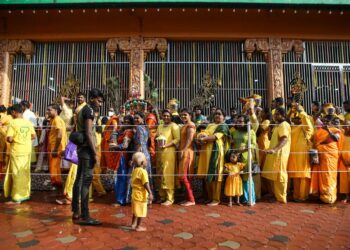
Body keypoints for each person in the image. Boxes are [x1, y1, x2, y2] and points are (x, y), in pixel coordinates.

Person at [71, 88, 104, 226]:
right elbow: (89, 133)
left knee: (79, 179)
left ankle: (76, 211)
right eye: (99, 100)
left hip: (81, 148)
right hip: (87, 150)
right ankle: (85, 215)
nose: (100, 104)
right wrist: (94, 152)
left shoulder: (81, 110)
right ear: (92, 98)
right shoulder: (88, 110)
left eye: (101, 101)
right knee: (86, 181)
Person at [4, 104, 36, 204]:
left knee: (16, 173)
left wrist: (17, 139)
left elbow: (9, 138)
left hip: (17, 151)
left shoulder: (13, 122)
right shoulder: (28, 122)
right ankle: (25, 194)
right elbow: (33, 136)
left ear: (14, 112)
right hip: (27, 151)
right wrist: (24, 139)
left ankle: (17, 197)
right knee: (25, 173)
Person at [198, 108, 229, 206]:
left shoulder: (223, 126)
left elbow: (215, 137)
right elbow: (204, 133)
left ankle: (216, 199)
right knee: (207, 175)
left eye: (219, 114)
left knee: (215, 175)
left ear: (223, 117)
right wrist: (200, 136)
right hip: (206, 152)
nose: (217, 115)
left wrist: (204, 138)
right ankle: (210, 197)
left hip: (216, 152)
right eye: (216, 114)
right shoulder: (210, 125)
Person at [262, 107, 291, 204]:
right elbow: (270, 138)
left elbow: (284, 139)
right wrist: (270, 128)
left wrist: (274, 150)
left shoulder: (284, 125)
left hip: (280, 154)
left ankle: (281, 198)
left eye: (277, 114)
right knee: (274, 175)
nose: (275, 116)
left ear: (283, 115)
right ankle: (275, 195)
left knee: (280, 176)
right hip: (275, 154)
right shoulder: (278, 125)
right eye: (275, 114)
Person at [310, 115, 341, 204]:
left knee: (328, 174)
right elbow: (314, 142)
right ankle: (321, 195)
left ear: (331, 122)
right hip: (320, 155)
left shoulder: (335, 130)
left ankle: (329, 196)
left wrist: (328, 130)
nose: (325, 123)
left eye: (327, 121)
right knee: (320, 175)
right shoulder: (318, 132)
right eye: (324, 121)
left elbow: (336, 139)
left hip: (330, 155)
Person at [287, 103, 314, 201]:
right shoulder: (292, 127)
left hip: (303, 155)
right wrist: (291, 110)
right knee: (295, 176)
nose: (294, 119)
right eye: (294, 118)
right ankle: (296, 196)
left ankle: (303, 196)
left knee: (303, 176)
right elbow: (286, 119)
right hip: (293, 155)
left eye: (297, 118)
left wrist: (301, 112)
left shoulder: (306, 128)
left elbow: (308, 124)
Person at [231, 114, 257, 205]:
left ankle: (249, 199)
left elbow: (253, 144)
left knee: (246, 177)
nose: (238, 123)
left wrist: (245, 148)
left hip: (246, 157)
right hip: (235, 158)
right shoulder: (234, 131)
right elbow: (231, 141)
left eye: (241, 121)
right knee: (237, 177)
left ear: (246, 123)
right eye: (237, 121)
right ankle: (239, 198)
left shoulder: (251, 131)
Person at [156, 109, 180, 206]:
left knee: (167, 173)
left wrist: (166, 145)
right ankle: (162, 196)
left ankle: (170, 198)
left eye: (168, 116)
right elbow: (158, 136)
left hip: (169, 152)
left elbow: (177, 139)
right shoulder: (160, 126)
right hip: (160, 152)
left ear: (171, 117)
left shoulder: (174, 126)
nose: (166, 117)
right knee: (160, 173)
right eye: (164, 115)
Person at [111, 115, 134, 206]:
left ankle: (121, 200)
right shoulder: (122, 131)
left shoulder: (129, 132)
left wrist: (114, 147)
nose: (126, 123)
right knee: (120, 177)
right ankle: (120, 198)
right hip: (120, 155)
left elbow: (124, 146)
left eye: (128, 122)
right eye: (125, 121)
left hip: (123, 156)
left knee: (122, 177)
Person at [130, 152, 153, 232]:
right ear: (143, 162)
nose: (147, 162)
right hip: (141, 195)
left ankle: (133, 224)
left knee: (135, 211)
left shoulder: (135, 170)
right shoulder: (143, 172)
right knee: (141, 212)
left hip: (134, 194)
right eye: (146, 160)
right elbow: (146, 183)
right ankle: (138, 226)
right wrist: (150, 193)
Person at [47, 103, 68, 190]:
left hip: (56, 147)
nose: (47, 111)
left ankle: (57, 185)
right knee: (55, 167)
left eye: (49, 110)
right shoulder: (55, 119)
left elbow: (59, 135)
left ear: (56, 111)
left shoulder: (57, 120)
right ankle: (57, 184)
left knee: (54, 167)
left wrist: (55, 149)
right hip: (55, 146)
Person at [178, 108, 196, 206]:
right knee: (184, 177)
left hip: (187, 152)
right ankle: (188, 198)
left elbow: (190, 140)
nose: (183, 117)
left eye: (185, 115)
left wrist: (183, 150)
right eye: (182, 115)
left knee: (185, 176)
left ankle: (192, 200)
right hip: (184, 151)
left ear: (190, 115)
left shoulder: (190, 125)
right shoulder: (185, 125)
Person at [133, 112, 153, 197]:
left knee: (139, 175)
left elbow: (140, 143)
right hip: (146, 153)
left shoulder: (139, 128)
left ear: (142, 119)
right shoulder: (145, 128)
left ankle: (143, 196)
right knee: (146, 175)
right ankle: (149, 196)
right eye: (135, 118)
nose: (136, 120)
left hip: (141, 154)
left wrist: (135, 157)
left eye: (137, 118)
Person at [339, 120, 350, 203]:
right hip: (343, 160)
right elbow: (339, 148)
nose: (347, 127)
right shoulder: (342, 135)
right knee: (344, 179)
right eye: (345, 125)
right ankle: (346, 196)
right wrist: (343, 159)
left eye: (348, 126)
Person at [0, 105, 12, 177]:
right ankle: (4, 172)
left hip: (3, 135)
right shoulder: (7, 117)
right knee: (5, 154)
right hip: (4, 136)